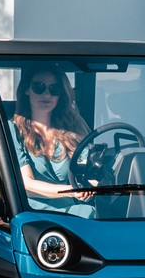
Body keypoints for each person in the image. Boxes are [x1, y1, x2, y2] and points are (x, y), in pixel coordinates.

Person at [10, 65, 90, 200]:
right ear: (26, 89)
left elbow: (88, 171)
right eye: (39, 87)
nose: (47, 95)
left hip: (77, 211)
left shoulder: (73, 126)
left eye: (54, 89)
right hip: (32, 215)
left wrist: (91, 187)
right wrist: (71, 191)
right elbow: (27, 183)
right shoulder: (13, 129)